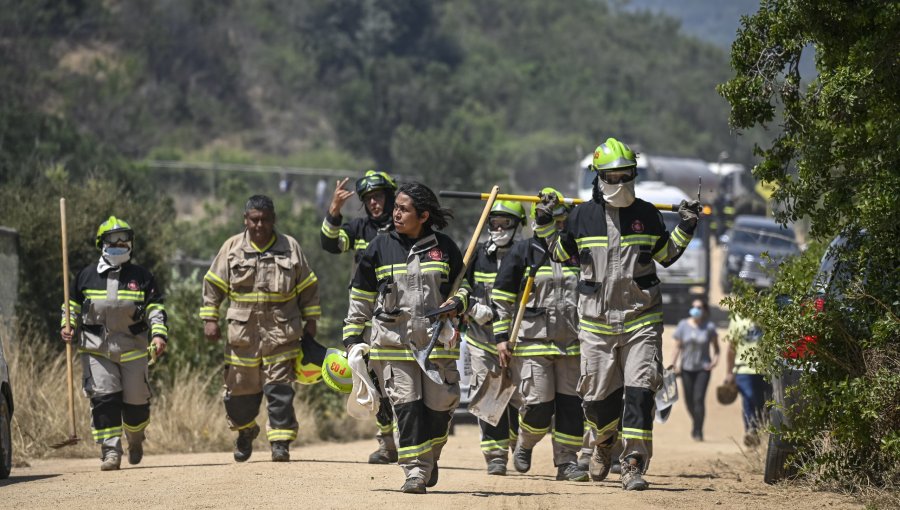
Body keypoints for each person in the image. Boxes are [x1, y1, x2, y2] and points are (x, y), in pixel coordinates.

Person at [542, 138, 701, 490]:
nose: (620, 181)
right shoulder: (581, 216)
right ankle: (602, 443)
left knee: (641, 391)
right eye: (612, 176)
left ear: (634, 174)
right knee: (598, 400)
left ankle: (633, 464)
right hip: (596, 323)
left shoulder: (647, 214)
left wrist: (686, 227)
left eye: (626, 174)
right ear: (599, 178)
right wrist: (544, 222)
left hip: (640, 319)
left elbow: (666, 254)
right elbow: (559, 253)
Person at [342, 182, 470, 494]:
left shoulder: (445, 248)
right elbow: (360, 295)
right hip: (392, 346)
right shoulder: (380, 247)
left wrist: (458, 302)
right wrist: (351, 337)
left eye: (403, 209)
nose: (395, 213)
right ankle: (415, 472)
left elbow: (465, 287)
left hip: (436, 346)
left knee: (440, 409)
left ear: (423, 215)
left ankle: (430, 456)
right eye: (395, 207)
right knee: (408, 409)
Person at [201, 195, 320, 463]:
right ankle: (246, 431)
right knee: (240, 397)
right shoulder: (231, 248)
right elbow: (213, 286)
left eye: (265, 219)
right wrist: (210, 319)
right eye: (254, 219)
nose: (259, 225)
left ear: (273, 220)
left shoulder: (290, 247)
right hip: (242, 337)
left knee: (280, 390)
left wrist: (311, 321)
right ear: (246, 220)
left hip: (282, 333)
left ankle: (280, 442)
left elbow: (308, 288)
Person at [492, 188, 588, 482]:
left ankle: (567, 462)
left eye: (562, 221)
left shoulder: (577, 253)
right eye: (552, 220)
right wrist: (501, 338)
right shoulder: (524, 251)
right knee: (538, 405)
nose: (558, 226)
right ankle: (525, 442)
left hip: (572, 343)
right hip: (533, 342)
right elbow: (502, 296)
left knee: (571, 407)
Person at [60, 216, 168, 471]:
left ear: (131, 243)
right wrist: (68, 325)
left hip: (133, 348)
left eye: (124, 239)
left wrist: (158, 335)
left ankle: (136, 438)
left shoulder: (142, 276)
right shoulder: (85, 276)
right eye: (112, 239)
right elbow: (71, 306)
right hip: (97, 350)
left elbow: (156, 308)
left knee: (136, 407)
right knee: (104, 399)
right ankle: (110, 451)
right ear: (102, 243)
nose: (119, 243)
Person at [320, 169, 399, 464]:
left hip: (400, 318)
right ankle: (387, 444)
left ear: (390, 197)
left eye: (379, 197)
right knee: (375, 381)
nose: (374, 203)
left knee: (402, 380)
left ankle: (416, 443)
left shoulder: (406, 227)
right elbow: (331, 244)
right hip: (367, 317)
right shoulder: (360, 228)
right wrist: (334, 211)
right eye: (368, 200)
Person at [462, 200, 526, 476]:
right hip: (482, 340)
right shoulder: (478, 254)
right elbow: (459, 284)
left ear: (517, 226)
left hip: (519, 341)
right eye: (494, 224)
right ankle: (495, 455)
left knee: (520, 399)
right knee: (487, 394)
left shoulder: (527, 255)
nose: (499, 229)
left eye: (505, 224)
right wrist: (473, 307)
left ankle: (517, 442)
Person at [672, 299, 720, 441]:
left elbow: (717, 349)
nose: (695, 309)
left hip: (703, 369)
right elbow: (677, 347)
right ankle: (696, 421)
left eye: (699, 307)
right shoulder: (683, 325)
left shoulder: (709, 327)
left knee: (698, 399)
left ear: (704, 310)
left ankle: (698, 430)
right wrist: (673, 364)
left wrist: (714, 362)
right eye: (693, 307)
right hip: (686, 369)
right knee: (689, 401)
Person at [724, 315, 771, 447]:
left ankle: (762, 431)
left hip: (767, 369)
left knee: (766, 403)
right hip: (743, 368)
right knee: (749, 397)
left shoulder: (768, 314)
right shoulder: (737, 318)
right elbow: (731, 347)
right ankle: (751, 430)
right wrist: (729, 372)